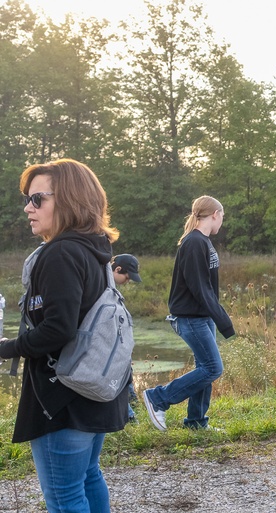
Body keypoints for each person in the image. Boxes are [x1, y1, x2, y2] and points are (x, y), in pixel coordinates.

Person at [0, 159, 129, 512]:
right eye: (28, 199)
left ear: (69, 199)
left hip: (62, 399)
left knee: (64, 496)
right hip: (95, 388)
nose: (28, 207)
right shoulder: (95, 248)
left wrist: (6, 348)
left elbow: (58, 329)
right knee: (88, 478)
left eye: (38, 198)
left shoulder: (60, 253)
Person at [143, 196, 235, 430]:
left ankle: (196, 422)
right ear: (215, 214)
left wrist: (215, 316)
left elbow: (205, 287)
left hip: (201, 316)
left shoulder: (202, 241)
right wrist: (223, 319)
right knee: (213, 368)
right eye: (222, 216)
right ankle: (158, 398)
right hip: (190, 318)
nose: (222, 221)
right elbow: (199, 287)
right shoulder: (194, 242)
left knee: (204, 367)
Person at [111, 254, 142, 423]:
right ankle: (129, 415)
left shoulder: (110, 286)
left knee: (124, 368)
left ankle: (133, 404)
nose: (127, 282)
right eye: (127, 277)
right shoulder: (100, 284)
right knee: (115, 373)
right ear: (117, 269)